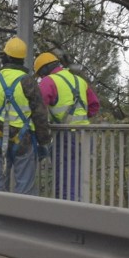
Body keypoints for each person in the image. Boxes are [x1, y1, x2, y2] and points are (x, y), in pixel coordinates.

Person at [0, 37, 52, 195]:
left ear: (7, 57)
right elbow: (40, 114)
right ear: (22, 59)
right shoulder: (28, 81)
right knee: (24, 190)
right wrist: (44, 142)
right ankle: (22, 218)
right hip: (23, 141)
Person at [34, 52, 100, 201]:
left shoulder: (48, 82)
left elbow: (37, 109)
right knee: (79, 181)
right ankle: (78, 215)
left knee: (64, 183)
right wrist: (80, 118)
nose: (40, 78)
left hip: (65, 137)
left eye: (40, 75)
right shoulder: (79, 81)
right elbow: (94, 105)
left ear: (44, 70)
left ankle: (65, 218)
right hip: (85, 136)